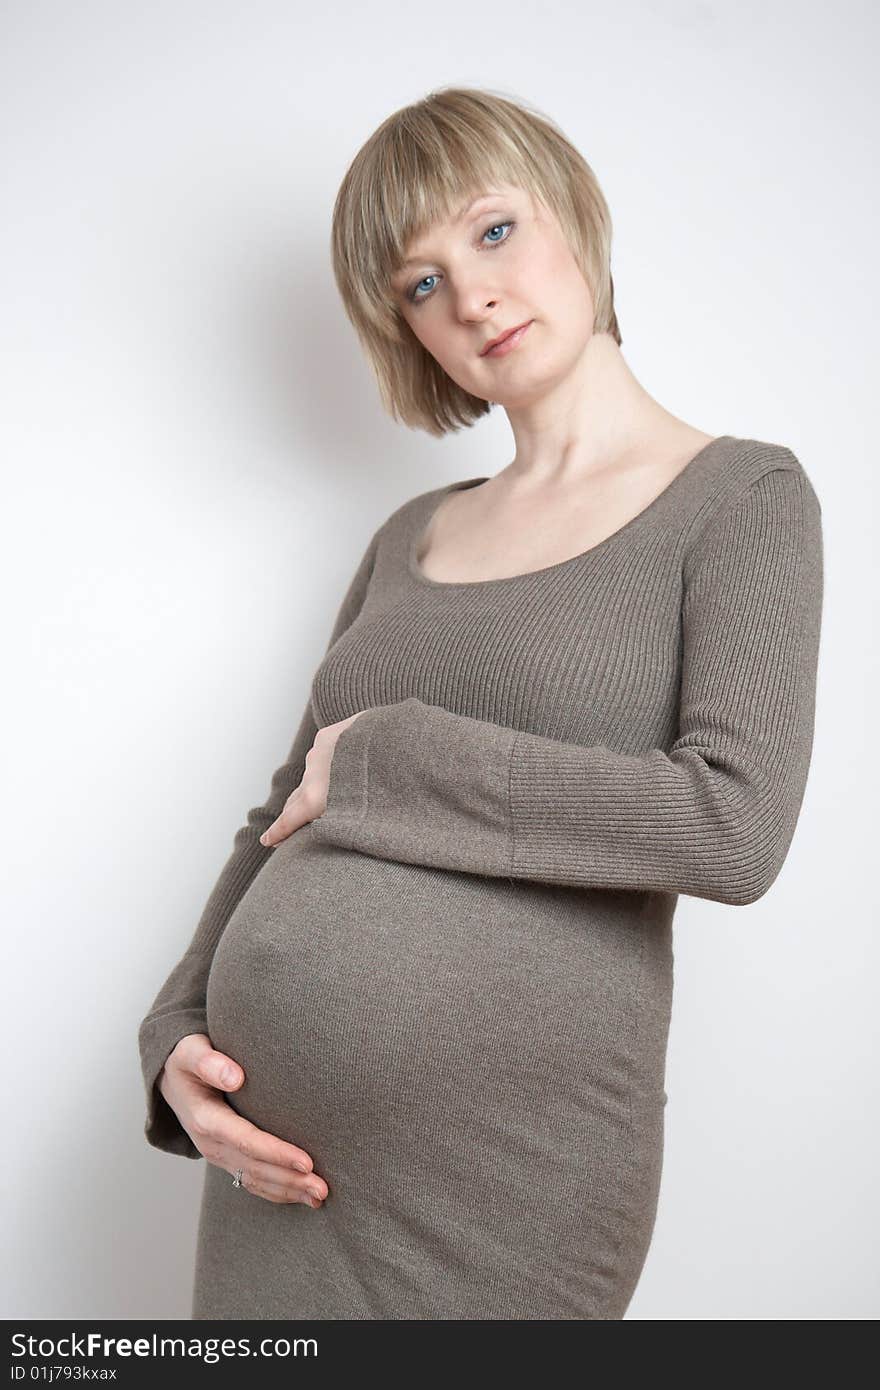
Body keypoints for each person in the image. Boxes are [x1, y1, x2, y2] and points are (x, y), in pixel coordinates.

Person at [137, 85, 824, 1320]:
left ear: (572, 216)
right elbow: (285, 808)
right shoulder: (410, 533)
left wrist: (397, 757)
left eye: (493, 232)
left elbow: (733, 827)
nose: (470, 296)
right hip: (268, 1180)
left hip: (506, 1186)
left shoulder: (740, 500)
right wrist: (176, 1043)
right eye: (419, 283)